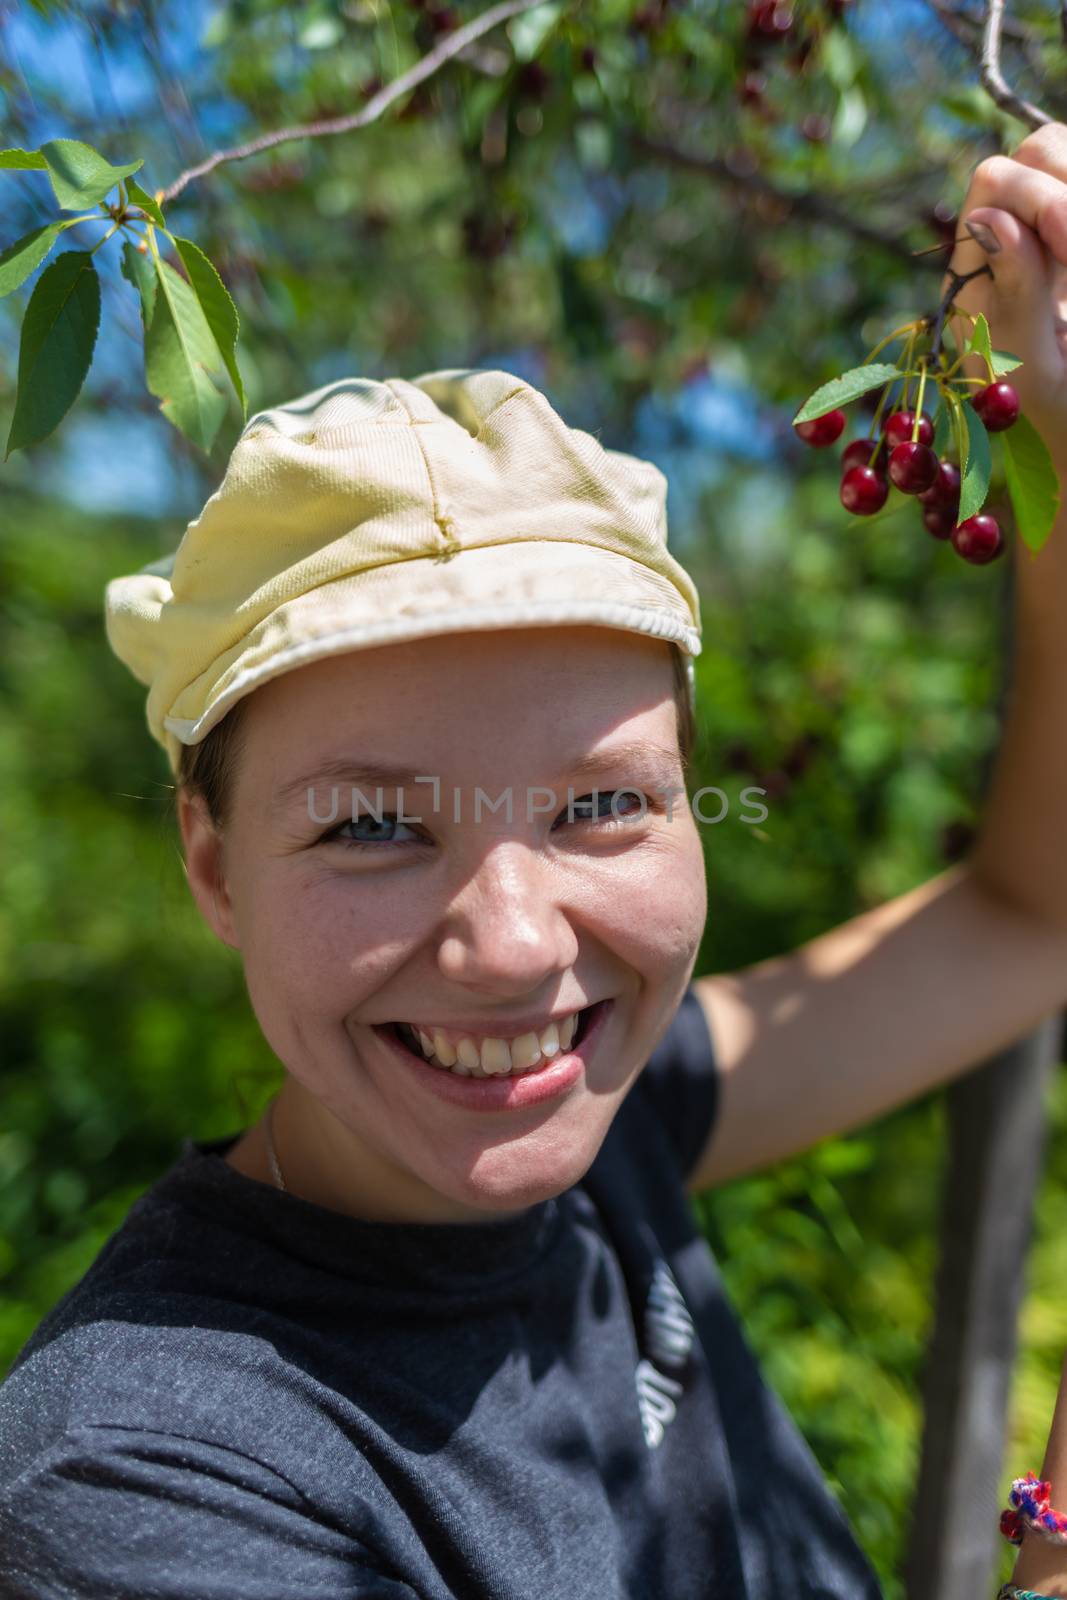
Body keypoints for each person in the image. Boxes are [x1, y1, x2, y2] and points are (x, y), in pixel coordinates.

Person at [3, 126, 1067, 1600]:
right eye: (374, 825)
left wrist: (1055, 455)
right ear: (215, 867)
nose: (511, 948)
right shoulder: (146, 1489)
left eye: (598, 808)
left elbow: (1029, 911)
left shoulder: (614, 1122)